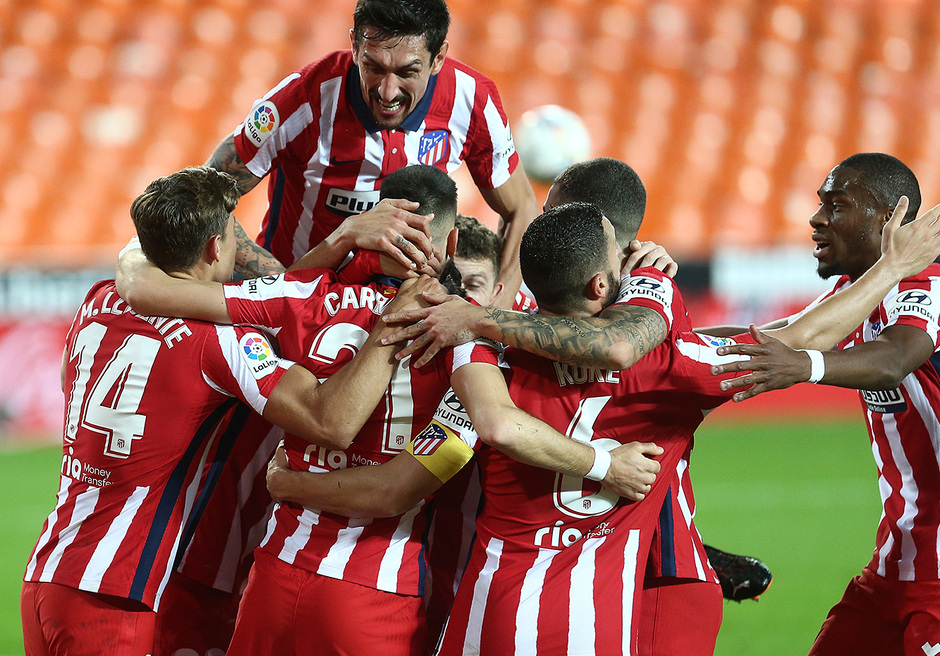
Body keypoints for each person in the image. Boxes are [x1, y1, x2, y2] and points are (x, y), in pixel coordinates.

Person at [265, 196, 940, 654]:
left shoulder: (479, 353)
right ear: (601, 284)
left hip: (482, 617)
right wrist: (895, 269)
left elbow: (433, 462)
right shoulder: (671, 372)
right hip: (590, 624)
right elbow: (785, 341)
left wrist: (291, 483)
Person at [115, 165, 651, 656]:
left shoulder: (307, 296)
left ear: (377, 229)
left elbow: (154, 290)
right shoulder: (465, 339)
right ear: (455, 240)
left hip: (275, 575)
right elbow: (401, 488)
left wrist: (131, 256)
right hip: (376, 591)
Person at [19, 167, 421, 656]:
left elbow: (69, 381)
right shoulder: (220, 342)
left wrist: (336, 243)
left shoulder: (99, 299)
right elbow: (329, 421)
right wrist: (391, 326)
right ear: (214, 247)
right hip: (114, 592)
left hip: (47, 573)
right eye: (233, 234)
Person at [709, 153, 940, 656]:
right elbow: (769, 338)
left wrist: (807, 367)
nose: (817, 220)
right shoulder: (853, 295)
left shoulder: (930, 282)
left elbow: (895, 356)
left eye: (836, 206)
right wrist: (657, 335)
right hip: (896, 569)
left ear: (888, 219)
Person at [207, 0, 539, 305]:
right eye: (373, 66)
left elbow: (521, 206)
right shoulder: (303, 99)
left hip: (403, 309)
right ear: (354, 46)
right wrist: (280, 285)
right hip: (303, 305)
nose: (387, 91)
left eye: (408, 72)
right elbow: (203, 196)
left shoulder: (473, 100)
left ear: (438, 58)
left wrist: (496, 308)